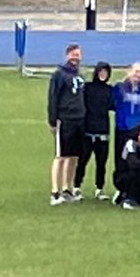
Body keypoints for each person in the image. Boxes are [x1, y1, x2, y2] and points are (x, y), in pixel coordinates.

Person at [47, 43, 86, 206]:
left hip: (79, 119)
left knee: (73, 157)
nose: (76, 57)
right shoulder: (59, 74)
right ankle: (55, 192)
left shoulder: (80, 75)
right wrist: (52, 120)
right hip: (65, 119)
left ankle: (67, 188)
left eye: (78, 54)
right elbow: (53, 97)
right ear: (67, 55)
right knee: (61, 156)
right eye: (73, 54)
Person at [74, 61, 113, 201]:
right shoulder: (88, 88)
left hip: (103, 131)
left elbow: (115, 105)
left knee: (101, 162)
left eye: (106, 72)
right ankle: (76, 187)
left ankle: (99, 188)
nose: (103, 74)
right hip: (87, 130)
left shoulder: (110, 90)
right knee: (83, 160)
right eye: (101, 71)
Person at [111, 63, 140, 181]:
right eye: (136, 72)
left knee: (134, 158)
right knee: (121, 157)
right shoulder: (120, 87)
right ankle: (120, 185)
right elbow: (112, 104)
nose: (138, 75)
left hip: (136, 129)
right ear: (129, 71)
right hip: (122, 127)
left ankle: (133, 186)